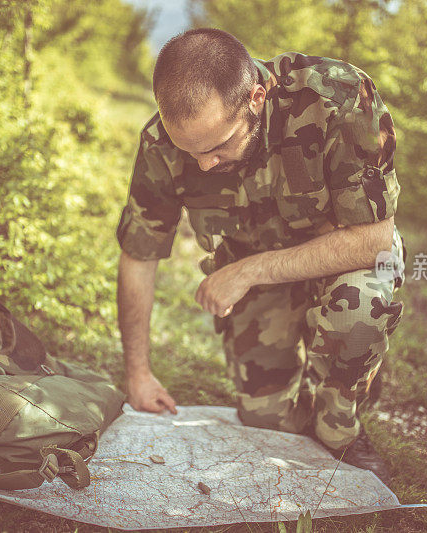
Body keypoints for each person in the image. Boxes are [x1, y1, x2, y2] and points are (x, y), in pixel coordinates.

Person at [115, 28, 406, 481]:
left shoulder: (340, 98)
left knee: (359, 311)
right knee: (266, 418)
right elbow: (139, 254)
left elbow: (374, 240)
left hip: (345, 260)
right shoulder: (161, 143)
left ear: (255, 97)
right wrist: (138, 373)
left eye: (216, 147)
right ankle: (329, 373)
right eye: (188, 150)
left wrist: (248, 271)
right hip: (262, 282)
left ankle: (341, 426)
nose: (204, 165)